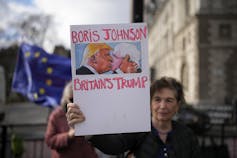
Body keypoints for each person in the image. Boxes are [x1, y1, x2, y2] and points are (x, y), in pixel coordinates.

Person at [66, 77, 201, 158]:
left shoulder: (187, 135)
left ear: (178, 105)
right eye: (157, 99)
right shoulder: (139, 128)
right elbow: (114, 146)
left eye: (169, 100)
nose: (162, 106)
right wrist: (89, 131)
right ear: (149, 103)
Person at [44, 82, 98, 158]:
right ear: (65, 99)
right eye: (72, 99)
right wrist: (69, 135)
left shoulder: (88, 111)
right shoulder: (56, 115)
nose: (75, 102)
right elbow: (50, 141)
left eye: (78, 98)